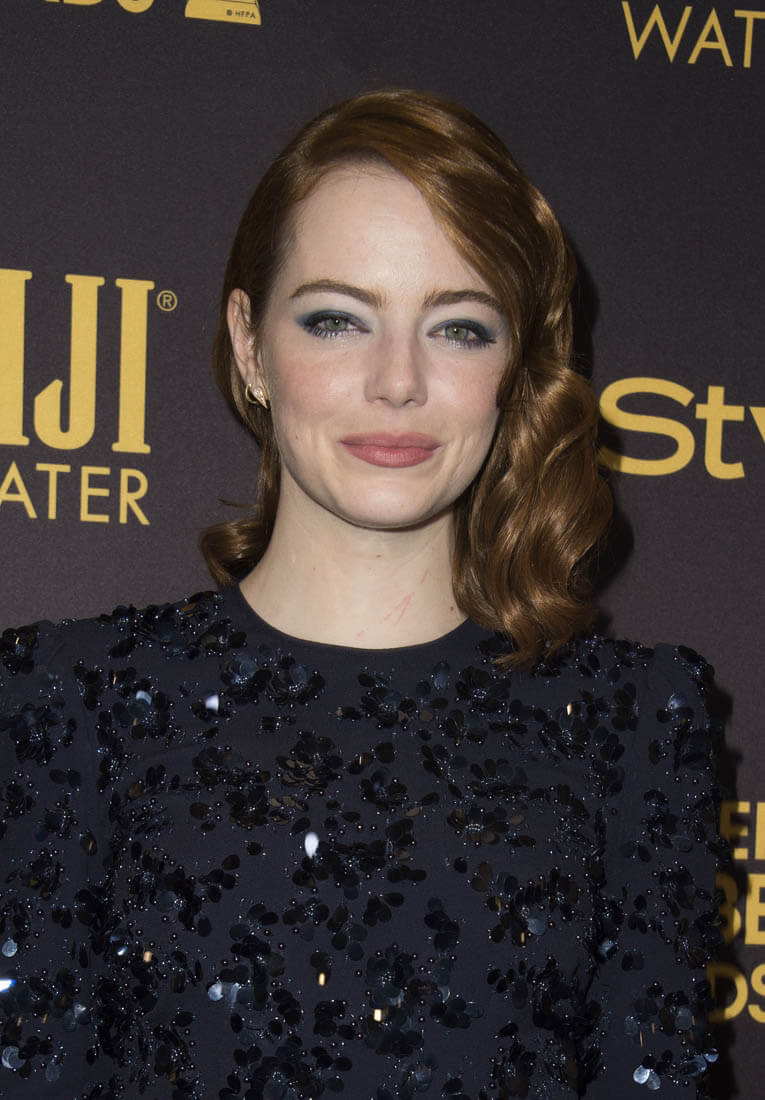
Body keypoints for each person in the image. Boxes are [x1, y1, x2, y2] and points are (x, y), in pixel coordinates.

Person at [0, 90, 723, 1098]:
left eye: (459, 328)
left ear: (516, 365)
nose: (398, 381)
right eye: (337, 319)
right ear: (250, 343)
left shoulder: (633, 721)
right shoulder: (65, 703)